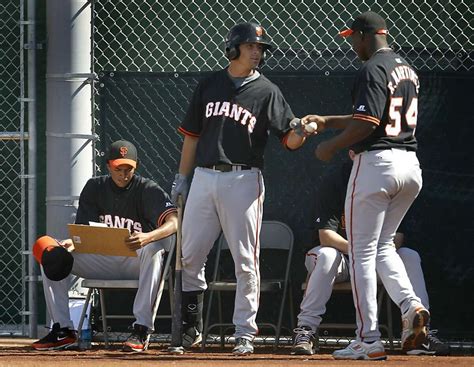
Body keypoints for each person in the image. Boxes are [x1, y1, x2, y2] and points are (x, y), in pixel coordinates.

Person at [170, 22, 311, 355]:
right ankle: (191, 328)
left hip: (244, 180)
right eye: (251, 46)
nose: (257, 53)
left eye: (260, 48)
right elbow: (191, 136)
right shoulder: (209, 85)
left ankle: (244, 333)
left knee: (246, 260)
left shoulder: (267, 91)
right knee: (189, 256)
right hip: (204, 176)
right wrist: (182, 177)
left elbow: (288, 140)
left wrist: (301, 131)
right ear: (233, 48)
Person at [302, 11, 429, 360]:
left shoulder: (371, 68)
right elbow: (372, 116)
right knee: (383, 245)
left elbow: (367, 124)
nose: (352, 45)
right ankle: (411, 306)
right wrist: (327, 122)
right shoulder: (407, 68)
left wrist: (330, 145)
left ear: (364, 35)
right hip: (409, 166)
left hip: (376, 164)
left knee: (361, 252)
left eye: (352, 38)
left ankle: (367, 339)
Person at [291, 157, 450, 356]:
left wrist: (370, 253)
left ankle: (419, 334)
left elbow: (397, 238)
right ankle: (306, 330)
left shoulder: (386, 179)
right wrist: (361, 250)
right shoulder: (338, 180)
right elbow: (326, 236)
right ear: (352, 154)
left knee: (408, 255)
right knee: (326, 256)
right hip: (341, 259)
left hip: (376, 260)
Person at [32, 140, 178, 352]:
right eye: (119, 167)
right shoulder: (95, 187)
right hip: (102, 260)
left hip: (136, 261)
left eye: (128, 168)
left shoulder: (147, 189)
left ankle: (142, 328)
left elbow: (174, 222)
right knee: (52, 255)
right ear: (108, 165)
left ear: (136, 167)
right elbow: (86, 232)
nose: (123, 173)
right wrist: (73, 243)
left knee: (153, 250)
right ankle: (63, 330)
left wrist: (149, 236)